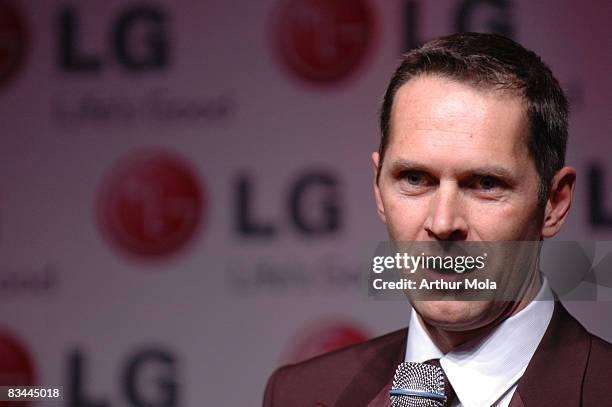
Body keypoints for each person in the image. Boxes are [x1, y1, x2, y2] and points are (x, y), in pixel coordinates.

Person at [263, 32, 611, 407]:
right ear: (379, 189)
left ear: (554, 203)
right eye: (415, 179)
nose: (444, 223)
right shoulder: (299, 394)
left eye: (486, 183)